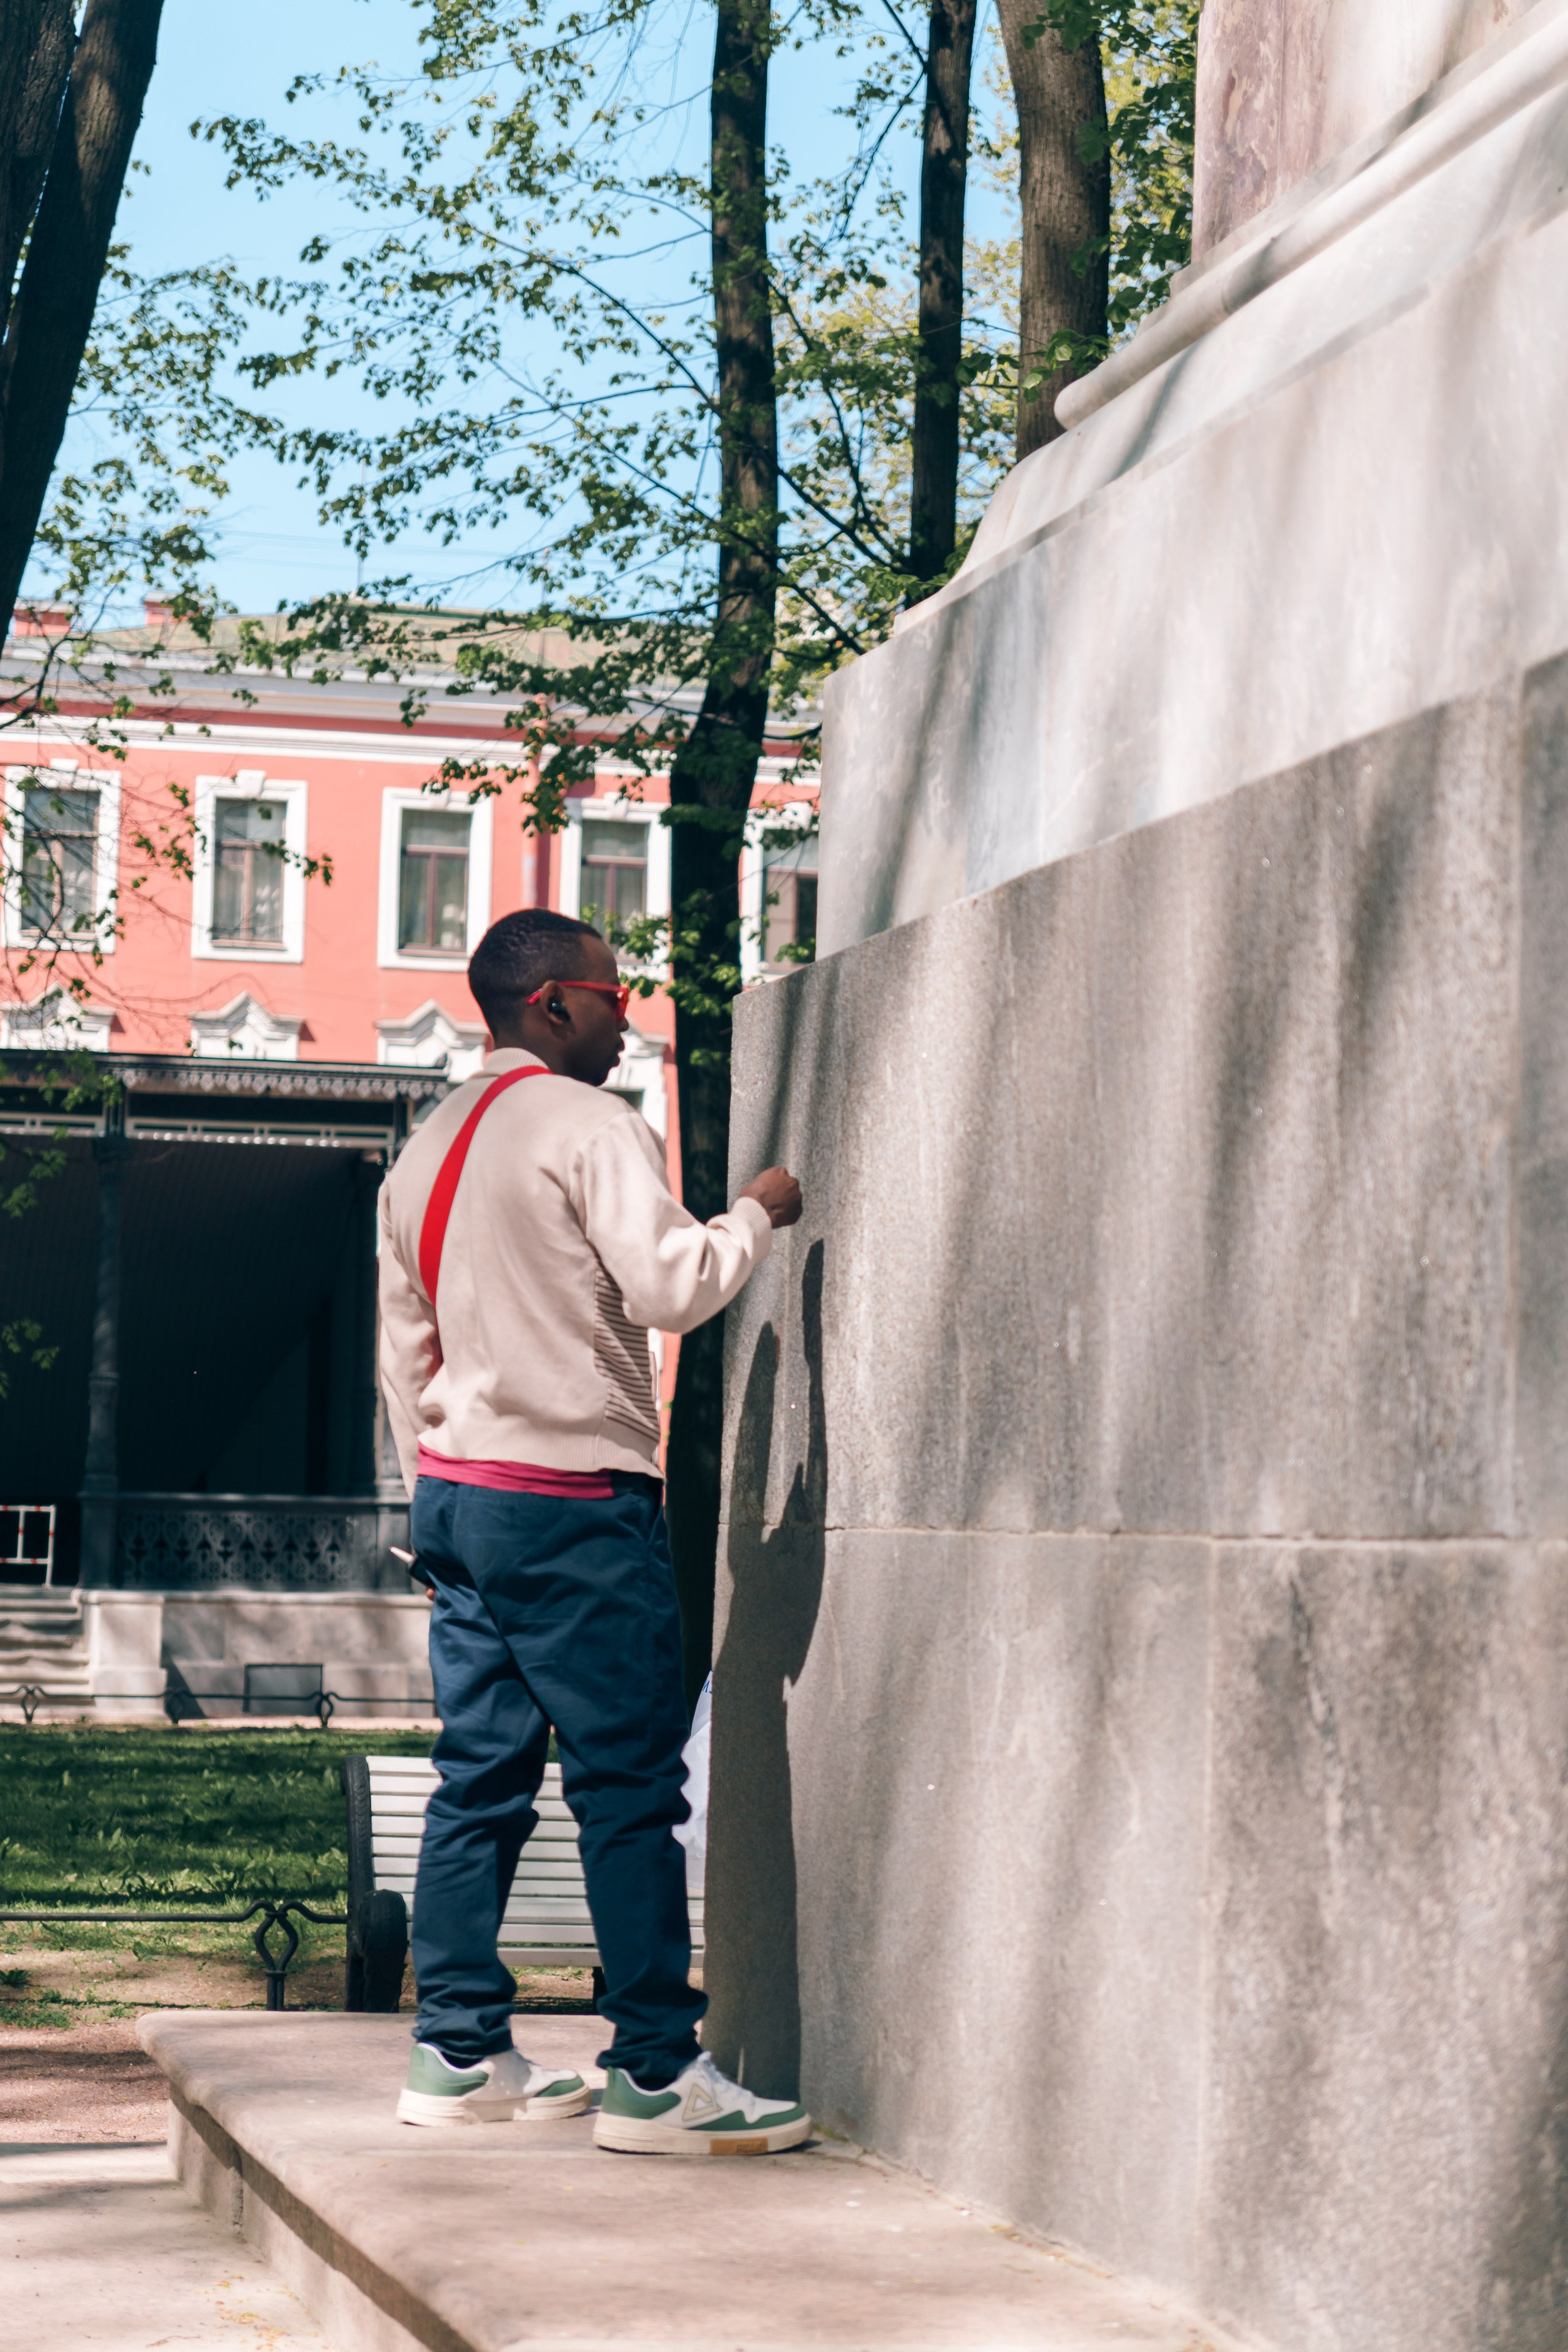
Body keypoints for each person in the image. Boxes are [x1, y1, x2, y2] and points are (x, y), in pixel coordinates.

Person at [377, 905, 810, 2156]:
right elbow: (675, 1286)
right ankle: (655, 2079)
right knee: (626, 1783)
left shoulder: (428, 1145)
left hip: (459, 1493)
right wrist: (759, 1214)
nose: (630, 1020)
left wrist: (427, 1496)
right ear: (553, 1004)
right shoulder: (591, 1127)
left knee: (481, 1776)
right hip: (568, 1500)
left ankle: (455, 2054)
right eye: (616, 999)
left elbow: (405, 1350)